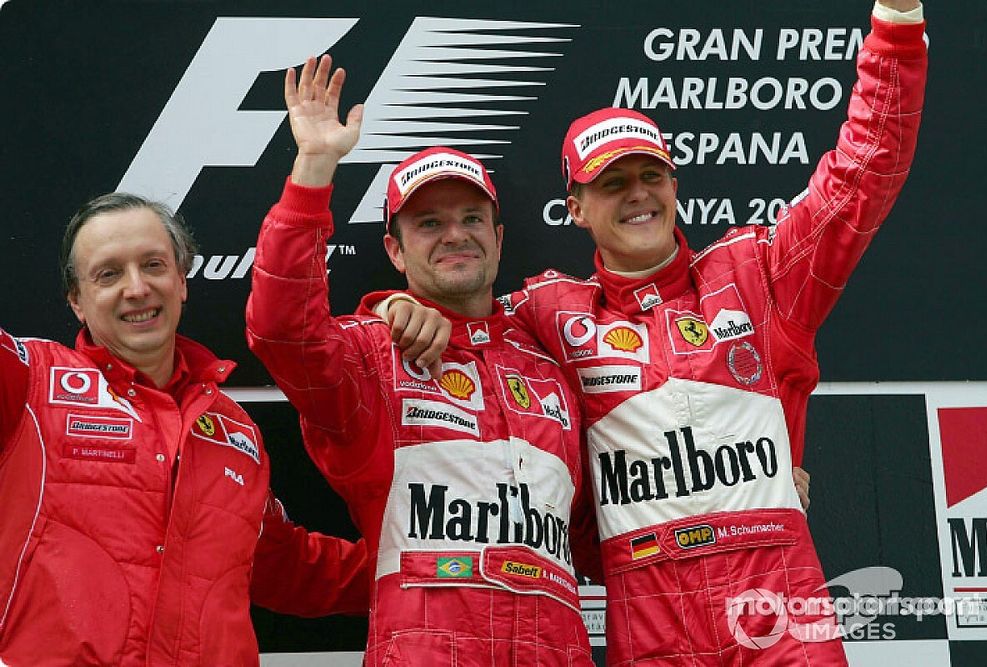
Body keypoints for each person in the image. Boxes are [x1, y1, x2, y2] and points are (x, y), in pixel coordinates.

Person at [377, 2, 927, 664]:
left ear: (674, 182)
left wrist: (896, 27)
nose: (638, 194)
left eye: (650, 174)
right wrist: (394, 308)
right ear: (576, 208)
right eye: (613, 183)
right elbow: (464, 311)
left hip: (778, 604)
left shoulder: (760, 274)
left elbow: (861, 175)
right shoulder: (548, 313)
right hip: (651, 620)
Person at [246, 56, 600, 665]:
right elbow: (282, 330)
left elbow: (605, 527)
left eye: (471, 219)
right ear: (395, 250)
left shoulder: (551, 356)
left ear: (499, 237)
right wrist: (314, 168)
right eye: (429, 223)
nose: (455, 235)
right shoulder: (369, 355)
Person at [0, 193, 367, 665]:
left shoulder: (236, 431)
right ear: (77, 301)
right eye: (109, 274)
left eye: (153, 265)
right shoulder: (28, 381)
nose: (137, 288)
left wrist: (420, 569)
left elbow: (286, 565)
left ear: (181, 281)